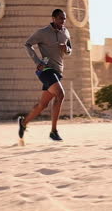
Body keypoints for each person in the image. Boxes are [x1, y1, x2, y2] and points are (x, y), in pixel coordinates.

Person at [18, 9, 72, 141]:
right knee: (60, 94)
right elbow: (28, 44)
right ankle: (53, 131)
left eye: (64, 18)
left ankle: (23, 123)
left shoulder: (66, 32)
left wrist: (66, 49)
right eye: (60, 18)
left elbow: (70, 50)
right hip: (46, 69)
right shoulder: (43, 32)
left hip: (58, 71)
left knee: (43, 105)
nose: (63, 21)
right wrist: (37, 61)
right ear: (53, 18)